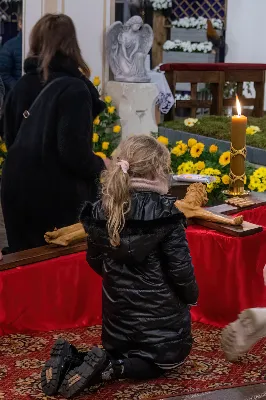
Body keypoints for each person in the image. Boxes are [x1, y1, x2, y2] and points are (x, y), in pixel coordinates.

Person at [41, 135, 199, 399]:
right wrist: (191, 298)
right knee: (166, 361)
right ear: (158, 170)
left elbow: (93, 260)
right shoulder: (167, 215)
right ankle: (112, 367)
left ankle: (75, 358)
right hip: (161, 338)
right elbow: (181, 273)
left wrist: (117, 279)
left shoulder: (103, 209)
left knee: (123, 347)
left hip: (116, 331)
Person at [1, 14, 107, 253]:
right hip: (57, 195)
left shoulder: (20, 87)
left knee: (25, 264)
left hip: (16, 190)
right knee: (56, 266)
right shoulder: (75, 89)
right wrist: (102, 164)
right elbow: (73, 153)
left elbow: (11, 140)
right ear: (72, 44)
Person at [0, 10, 22, 93]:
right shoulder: (10, 46)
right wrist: (18, 88)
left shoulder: (42, 45)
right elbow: (3, 73)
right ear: (20, 24)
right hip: (16, 95)